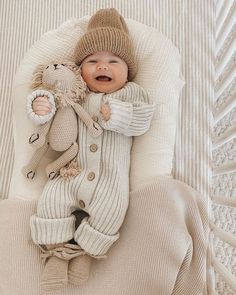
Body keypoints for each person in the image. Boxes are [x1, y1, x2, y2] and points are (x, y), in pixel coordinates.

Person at [28, 8, 156, 292]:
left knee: (112, 211)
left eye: (113, 61)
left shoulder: (131, 93)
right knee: (51, 201)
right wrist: (40, 105)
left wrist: (119, 115)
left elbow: (144, 119)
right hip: (71, 170)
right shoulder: (76, 92)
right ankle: (58, 252)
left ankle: (85, 252)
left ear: (128, 70)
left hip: (110, 179)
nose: (102, 67)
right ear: (79, 69)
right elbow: (50, 112)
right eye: (93, 60)